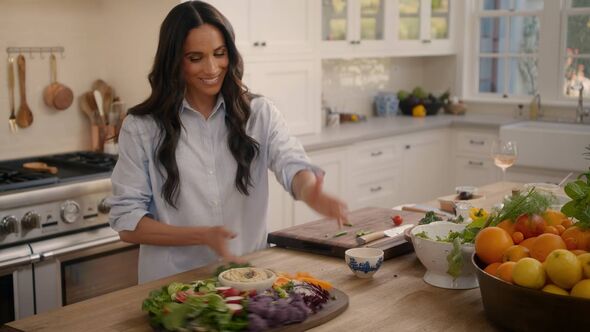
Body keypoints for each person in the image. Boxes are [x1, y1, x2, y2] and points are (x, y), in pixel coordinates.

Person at [107, 1, 348, 284]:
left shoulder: (259, 113)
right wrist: (201, 236)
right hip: (174, 288)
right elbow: (127, 222)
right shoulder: (142, 127)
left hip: (250, 278)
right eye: (195, 58)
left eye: (219, 54)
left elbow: (291, 163)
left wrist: (311, 192)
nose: (211, 68)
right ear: (173, 61)